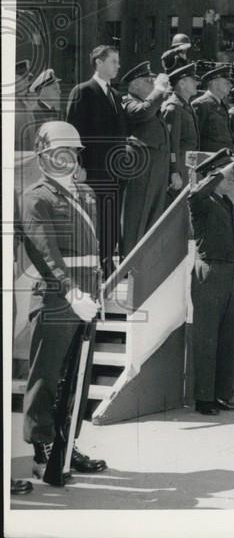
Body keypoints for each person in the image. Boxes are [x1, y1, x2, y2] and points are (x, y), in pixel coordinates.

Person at [20, 121, 109, 484]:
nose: (68, 159)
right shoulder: (35, 197)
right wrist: (72, 291)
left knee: (77, 377)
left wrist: (95, 291)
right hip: (59, 296)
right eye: (60, 153)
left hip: (88, 293)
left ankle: (66, 444)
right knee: (48, 375)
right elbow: (45, 252)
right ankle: (42, 449)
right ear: (43, 157)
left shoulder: (85, 193)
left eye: (72, 153)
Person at [188, 149, 234, 415]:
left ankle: (222, 394)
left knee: (229, 339)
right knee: (207, 338)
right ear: (214, 175)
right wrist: (216, 173)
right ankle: (204, 399)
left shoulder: (229, 204)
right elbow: (196, 193)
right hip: (209, 274)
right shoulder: (202, 201)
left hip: (231, 275)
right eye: (228, 174)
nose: (233, 178)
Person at [65, 45, 128, 278]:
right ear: (98, 62)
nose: (117, 66)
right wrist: (77, 165)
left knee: (111, 223)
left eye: (118, 62)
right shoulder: (83, 92)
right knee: (93, 222)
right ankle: (94, 268)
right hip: (91, 172)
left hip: (115, 173)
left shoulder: (115, 95)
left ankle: (107, 265)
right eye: (113, 61)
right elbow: (73, 131)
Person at [119, 62, 172, 258]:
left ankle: (145, 259)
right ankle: (130, 260)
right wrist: (158, 89)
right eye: (148, 81)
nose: (152, 84)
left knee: (154, 212)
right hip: (141, 163)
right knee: (137, 213)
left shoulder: (153, 105)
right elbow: (142, 112)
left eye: (153, 81)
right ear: (135, 84)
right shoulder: (128, 101)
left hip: (156, 162)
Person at [161, 63, 200, 199]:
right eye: (193, 80)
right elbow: (171, 145)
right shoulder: (173, 108)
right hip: (180, 170)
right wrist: (174, 171)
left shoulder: (186, 106)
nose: (197, 83)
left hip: (189, 167)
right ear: (182, 83)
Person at [16, 67, 62, 153]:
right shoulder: (34, 112)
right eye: (55, 89)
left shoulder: (53, 112)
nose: (59, 92)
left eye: (59, 89)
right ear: (44, 91)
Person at [191, 65, 234, 152]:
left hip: (223, 158)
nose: (231, 85)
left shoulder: (223, 105)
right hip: (209, 159)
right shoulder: (201, 105)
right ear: (215, 84)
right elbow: (196, 137)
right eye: (226, 82)